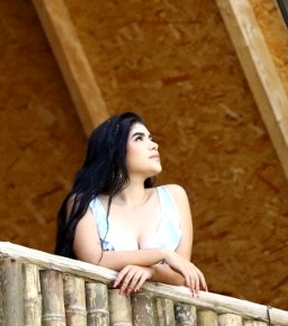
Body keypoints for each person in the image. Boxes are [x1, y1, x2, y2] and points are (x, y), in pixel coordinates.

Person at [55, 112, 207, 296]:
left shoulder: (175, 195)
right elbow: (94, 259)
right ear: (114, 150)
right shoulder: (84, 202)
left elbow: (181, 275)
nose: (154, 145)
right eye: (139, 138)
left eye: (150, 138)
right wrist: (162, 254)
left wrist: (150, 271)